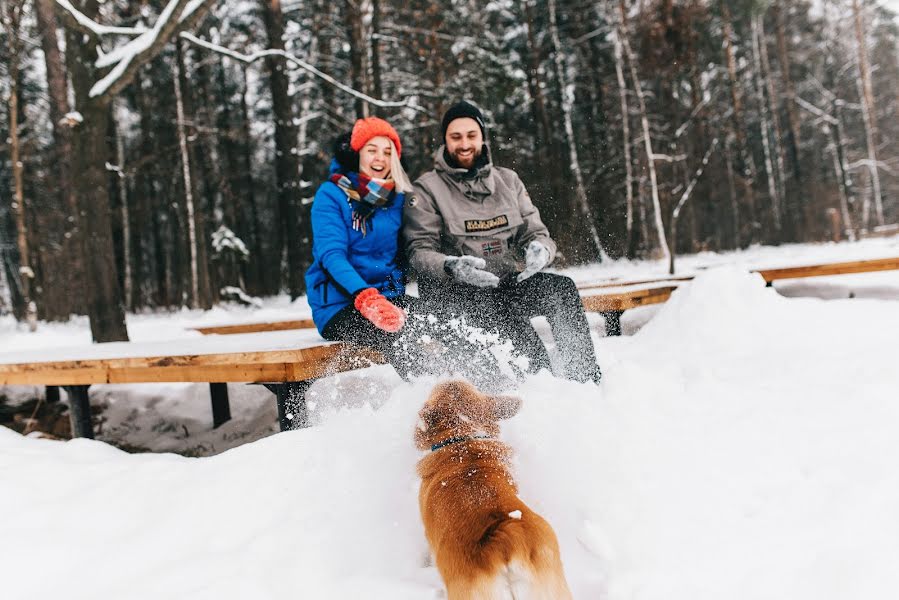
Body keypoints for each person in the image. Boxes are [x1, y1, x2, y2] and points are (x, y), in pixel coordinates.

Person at [403, 100, 602, 384]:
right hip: (460, 295)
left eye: (471, 135)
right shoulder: (426, 190)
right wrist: (451, 266)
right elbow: (418, 252)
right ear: (445, 141)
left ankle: (584, 381)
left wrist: (541, 250)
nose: (464, 144)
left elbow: (537, 232)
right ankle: (542, 387)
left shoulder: (508, 181)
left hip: (505, 283)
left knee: (561, 289)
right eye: (455, 137)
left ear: (482, 137)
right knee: (533, 360)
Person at [305, 116, 507, 390]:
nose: (380, 158)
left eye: (388, 152)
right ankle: (435, 411)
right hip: (340, 306)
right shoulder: (331, 195)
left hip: (390, 298)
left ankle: (495, 393)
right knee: (403, 338)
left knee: (452, 328)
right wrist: (366, 299)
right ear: (357, 153)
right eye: (372, 150)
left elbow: (417, 244)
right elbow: (331, 257)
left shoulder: (397, 198)